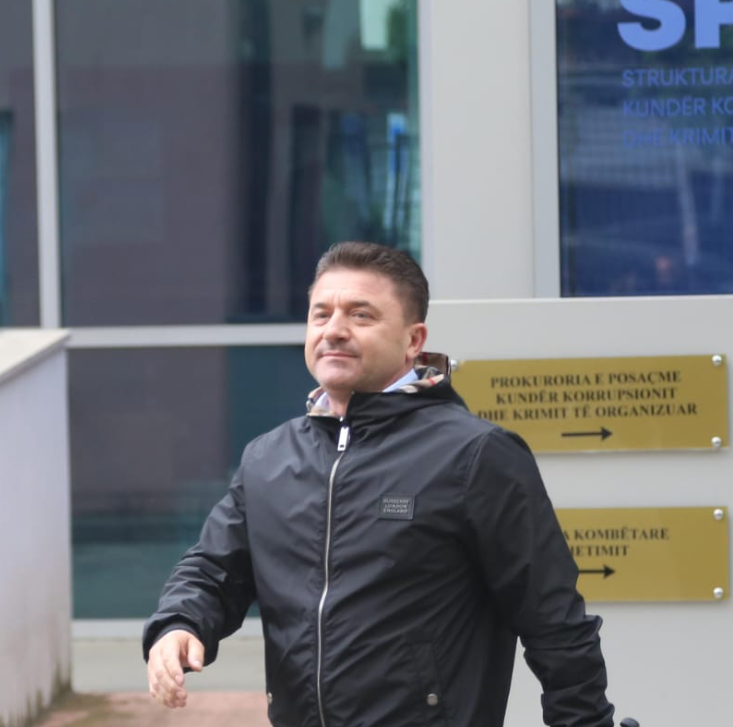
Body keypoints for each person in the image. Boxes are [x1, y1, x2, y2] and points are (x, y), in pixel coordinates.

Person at [143, 241, 617, 727]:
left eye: (361, 315)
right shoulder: (268, 458)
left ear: (414, 341)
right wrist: (179, 623)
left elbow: (552, 618)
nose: (334, 330)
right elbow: (213, 570)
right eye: (321, 314)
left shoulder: (477, 455)